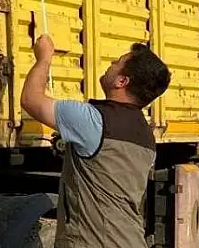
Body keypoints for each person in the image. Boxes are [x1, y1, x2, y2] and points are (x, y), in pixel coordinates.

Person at [21, 34, 171, 248]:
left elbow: (31, 99)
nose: (111, 65)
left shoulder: (92, 120)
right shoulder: (146, 136)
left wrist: (44, 58)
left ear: (122, 81)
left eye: (117, 62)